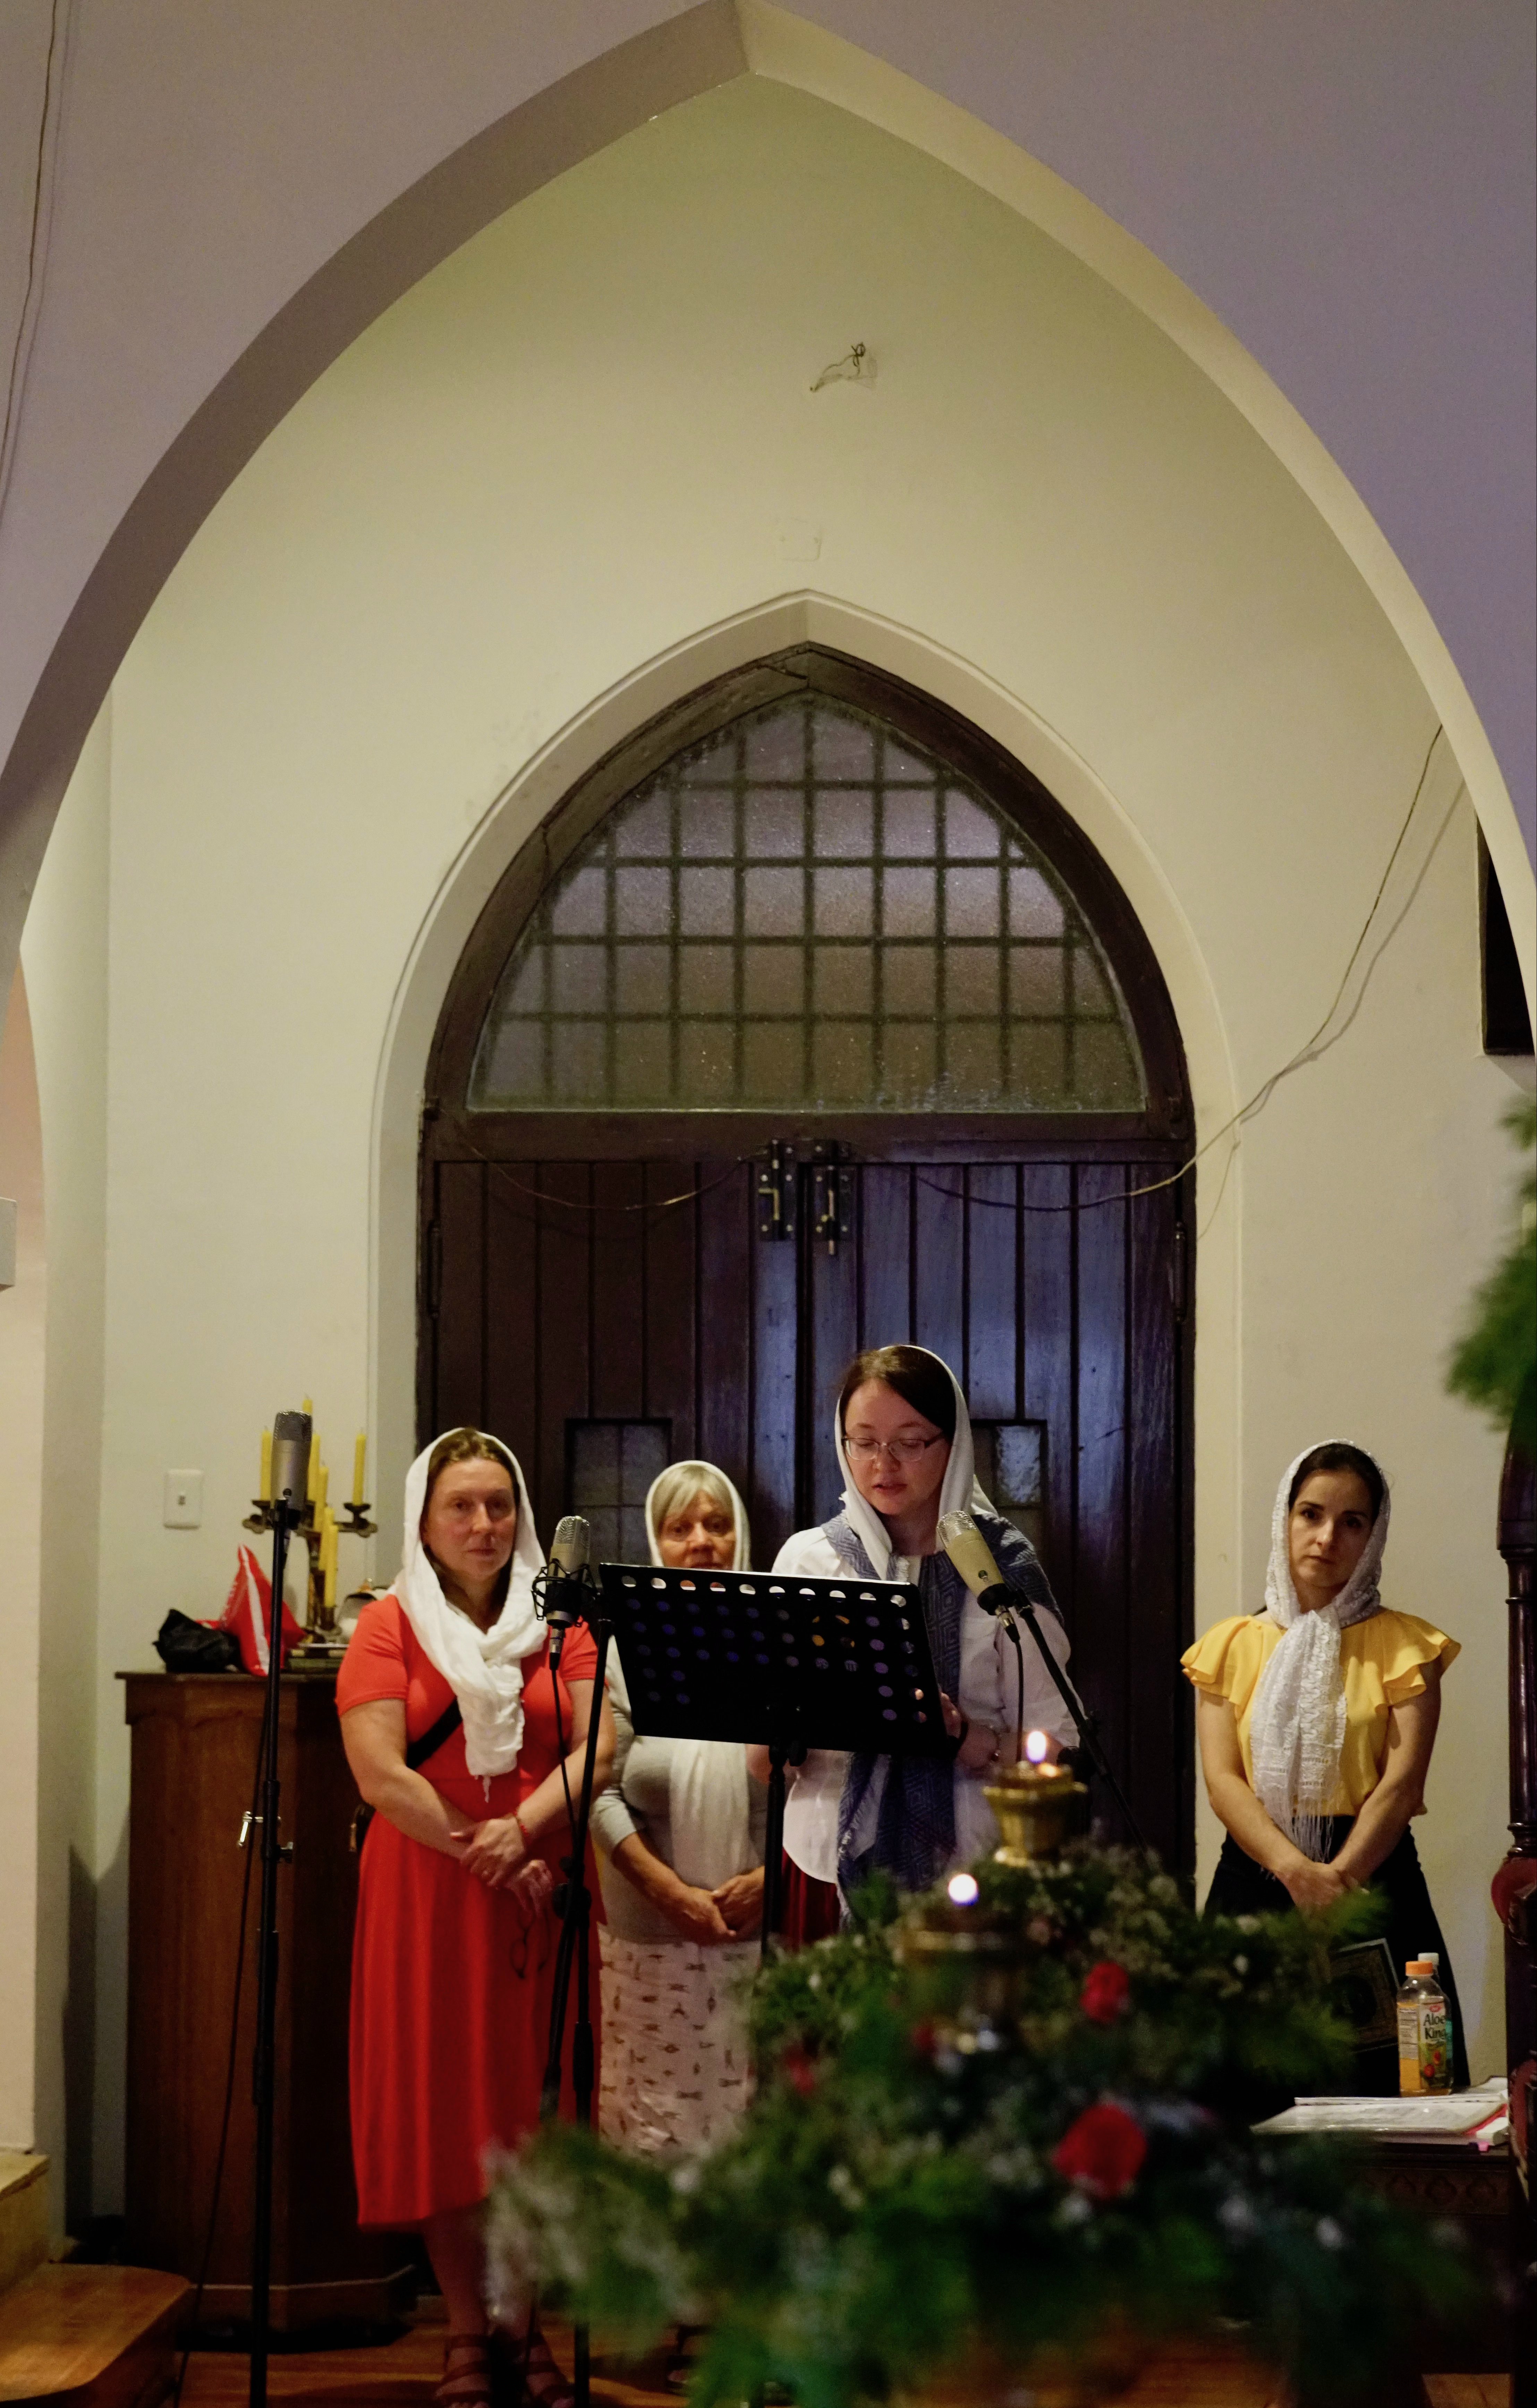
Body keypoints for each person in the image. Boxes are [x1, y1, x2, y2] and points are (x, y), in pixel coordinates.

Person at [338, 1428, 615, 2408]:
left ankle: (522, 2326)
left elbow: (601, 1748)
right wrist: (482, 1848)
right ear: (424, 1520)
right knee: (445, 2108)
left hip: (542, 1879)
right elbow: (380, 1774)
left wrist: (521, 1832)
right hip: (429, 1889)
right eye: (460, 1505)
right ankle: (464, 2329)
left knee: (532, 2110)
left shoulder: (563, 1620)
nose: (484, 1523)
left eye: (499, 1503)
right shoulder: (386, 1624)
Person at [1183, 1440, 1467, 2092]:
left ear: (1373, 1535)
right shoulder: (1229, 1645)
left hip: (1370, 1879)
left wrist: (1336, 1881)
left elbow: (1401, 1784)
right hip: (1257, 1878)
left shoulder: (1407, 1646)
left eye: (1351, 1521)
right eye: (1310, 1513)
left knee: (1389, 2091)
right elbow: (1223, 1782)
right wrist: (1295, 1873)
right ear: (1284, 1518)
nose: (1326, 1537)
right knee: (1235, 2096)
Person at [768, 1345, 1078, 1911]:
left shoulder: (1000, 1566)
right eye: (863, 1442)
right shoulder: (808, 1561)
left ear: (952, 1444)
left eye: (909, 1443)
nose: (882, 1465)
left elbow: (1057, 1742)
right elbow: (764, 1756)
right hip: (828, 1859)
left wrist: (966, 1738)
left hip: (975, 1866)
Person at [591, 1461, 767, 2158]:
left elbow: (822, 1792)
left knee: (750, 2129)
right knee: (653, 2129)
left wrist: (773, 1881)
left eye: (717, 1525)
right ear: (655, 1541)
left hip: (761, 1926)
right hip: (649, 1932)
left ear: (739, 1535)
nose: (701, 1542)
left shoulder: (776, 1640)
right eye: (680, 1527)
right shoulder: (623, 1650)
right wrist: (669, 1893)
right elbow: (600, 1789)